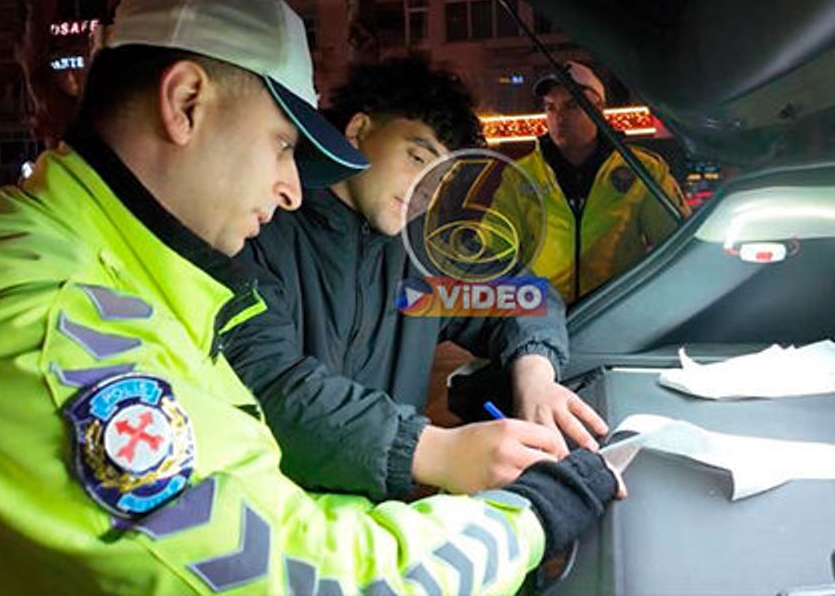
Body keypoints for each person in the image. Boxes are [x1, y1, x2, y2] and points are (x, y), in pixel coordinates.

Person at [0, 0, 620, 595]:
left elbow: (515, 295)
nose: (288, 188)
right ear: (185, 103)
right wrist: (521, 512)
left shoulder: (129, 263)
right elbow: (290, 572)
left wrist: (534, 370)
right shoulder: (48, 330)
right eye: (281, 146)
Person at [225, 57, 609, 501]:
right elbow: (270, 387)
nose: (427, 187)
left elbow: (525, 298)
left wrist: (536, 376)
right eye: (417, 158)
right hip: (264, 512)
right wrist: (439, 452)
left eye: (441, 175)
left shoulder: (425, 256)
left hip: (380, 519)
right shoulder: (257, 230)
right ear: (358, 130)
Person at [491, 60, 689, 304]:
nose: (559, 117)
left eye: (572, 105)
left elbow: (676, 245)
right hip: (543, 315)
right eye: (550, 107)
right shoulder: (520, 175)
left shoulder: (642, 169)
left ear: (598, 109)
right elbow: (492, 249)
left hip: (614, 313)